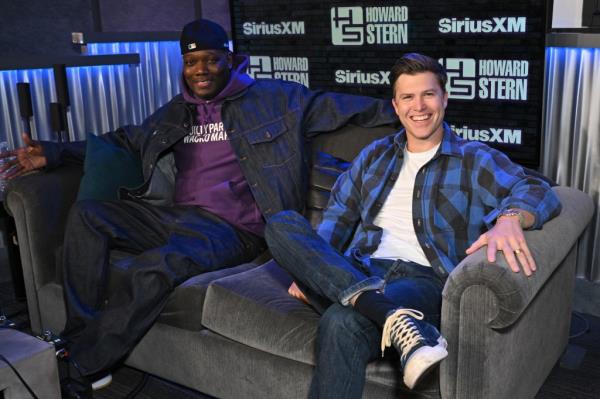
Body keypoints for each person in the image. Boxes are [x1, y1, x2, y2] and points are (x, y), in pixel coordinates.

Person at [0, 19, 397, 396]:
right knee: (89, 216)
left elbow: (350, 108)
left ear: (229, 58)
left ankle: (82, 366)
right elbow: (125, 139)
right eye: (191, 62)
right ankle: (77, 335)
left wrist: (415, 112)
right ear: (183, 65)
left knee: (156, 266)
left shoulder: (278, 98)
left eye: (210, 59)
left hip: (234, 229)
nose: (201, 69)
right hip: (175, 217)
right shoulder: (176, 111)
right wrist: (53, 154)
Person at [264, 53, 562, 398]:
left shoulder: (472, 157)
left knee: (341, 321)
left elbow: (538, 188)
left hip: (420, 279)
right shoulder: (374, 155)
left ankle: (382, 309)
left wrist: (511, 218)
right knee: (281, 223)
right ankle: (395, 319)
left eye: (428, 94)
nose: (418, 106)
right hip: (358, 269)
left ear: (445, 98)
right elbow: (338, 216)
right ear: (395, 105)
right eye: (407, 97)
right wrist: (313, 266)